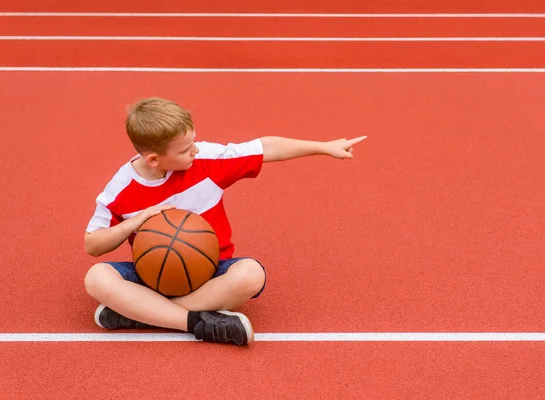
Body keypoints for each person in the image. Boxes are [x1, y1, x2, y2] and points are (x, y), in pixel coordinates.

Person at [83, 97, 367, 346]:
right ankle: (195, 323)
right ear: (154, 160)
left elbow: (265, 148)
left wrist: (324, 146)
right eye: (185, 150)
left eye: (193, 142)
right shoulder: (121, 188)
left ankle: (142, 313)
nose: (194, 151)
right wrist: (134, 223)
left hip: (211, 270)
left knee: (251, 274)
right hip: (154, 274)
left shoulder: (206, 160)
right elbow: (92, 244)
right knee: (96, 279)